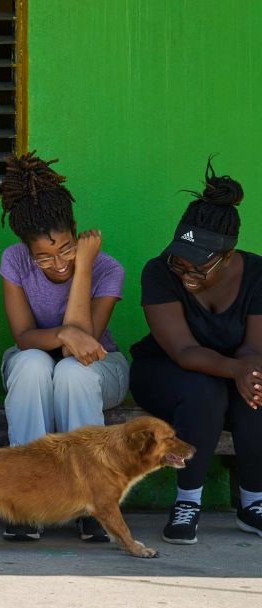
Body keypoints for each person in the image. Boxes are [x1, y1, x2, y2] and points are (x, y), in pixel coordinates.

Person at [0, 152, 128, 543]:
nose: (58, 264)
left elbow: (84, 345)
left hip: (99, 367)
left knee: (72, 371)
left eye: (67, 249)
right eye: (43, 256)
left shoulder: (107, 268)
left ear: (75, 231)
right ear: (26, 249)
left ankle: (90, 500)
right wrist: (61, 335)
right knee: (32, 363)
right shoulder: (14, 261)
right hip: (35, 362)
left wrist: (83, 266)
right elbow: (23, 335)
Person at [130, 157, 262, 544]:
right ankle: (187, 501)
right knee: (205, 391)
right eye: (179, 262)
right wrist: (236, 370)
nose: (186, 274)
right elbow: (184, 350)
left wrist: (248, 372)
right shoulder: (158, 272)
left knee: (256, 391)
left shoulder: (257, 274)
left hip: (228, 374)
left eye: (198, 268)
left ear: (228, 256)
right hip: (164, 372)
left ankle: (253, 503)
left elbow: (254, 347)